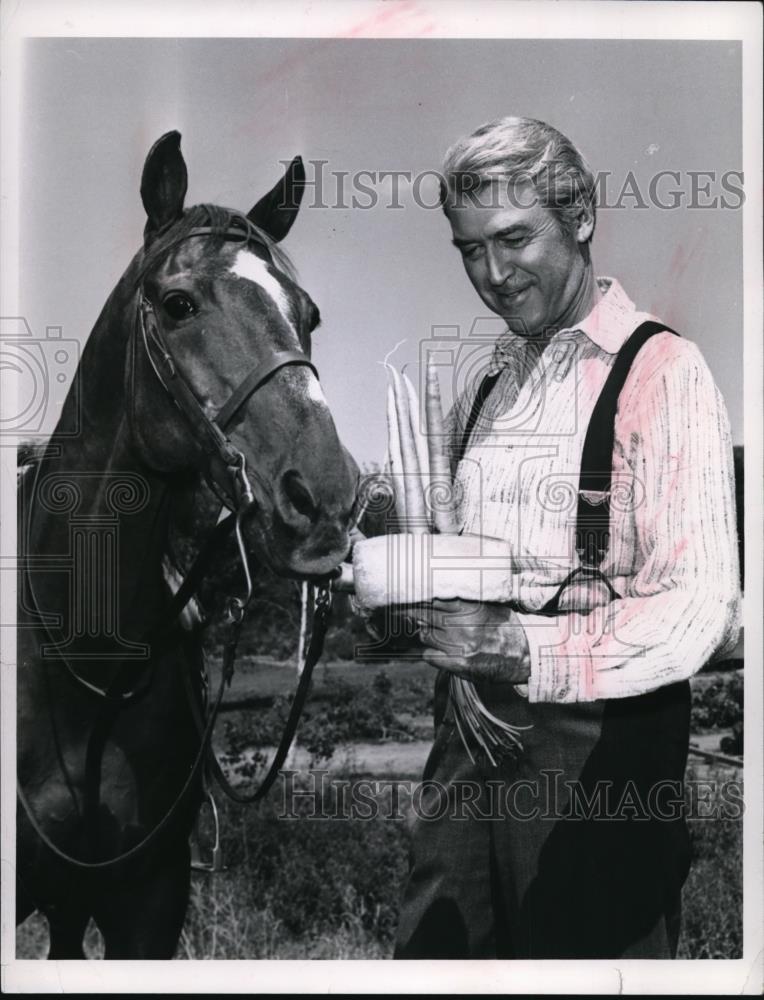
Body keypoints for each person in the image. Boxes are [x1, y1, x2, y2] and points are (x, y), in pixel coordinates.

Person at [391, 116, 741, 959]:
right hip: (464, 748)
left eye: (514, 238)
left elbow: (698, 608)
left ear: (580, 213)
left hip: (599, 762)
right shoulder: (486, 392)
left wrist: (521, 650)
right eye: (469, 249)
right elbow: (455, 567)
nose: (493, 274)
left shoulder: (663, 371)